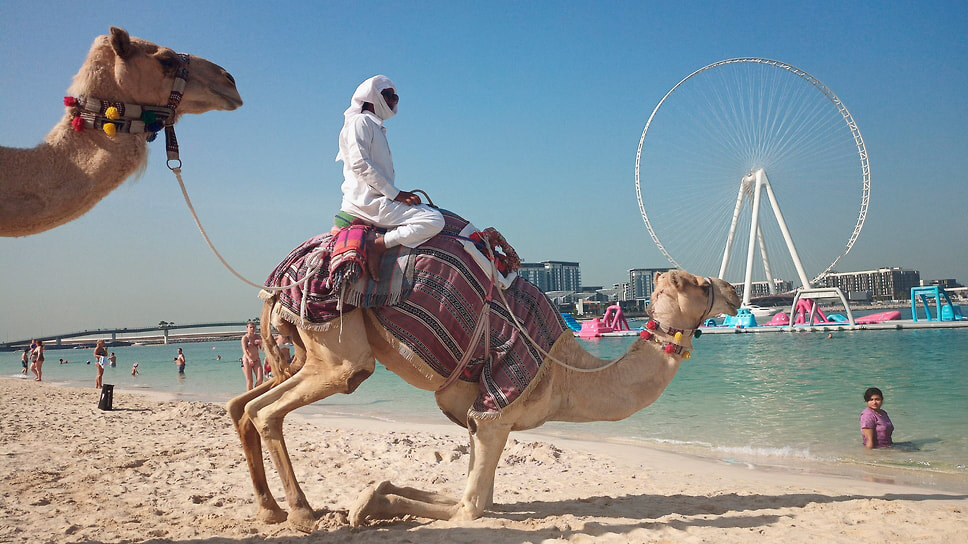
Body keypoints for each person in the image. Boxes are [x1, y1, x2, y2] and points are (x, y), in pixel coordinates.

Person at [336, 75, 444, 280]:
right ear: (371, 97)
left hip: (377, 200)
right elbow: (360, 164)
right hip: (367, 203)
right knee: (434, 219)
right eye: (388, 95)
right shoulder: (360, 122)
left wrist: (396, 194)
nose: (393, 101)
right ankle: (379, 246)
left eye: (396, 97)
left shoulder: (375, 127)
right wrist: (396, 194)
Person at [240, 322, 263, 390]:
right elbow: (244, 350)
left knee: (260, 379)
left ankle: (255, 393)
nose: (252, 329)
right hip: (247, 360)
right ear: (247, 328)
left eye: (254, 327)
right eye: (250, 327)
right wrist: (249, 359)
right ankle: (250, 395)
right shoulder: (245, 338)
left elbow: (262, 349)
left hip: (256, 360)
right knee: (250, 381)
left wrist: (261, 342)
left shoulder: (258, 337)